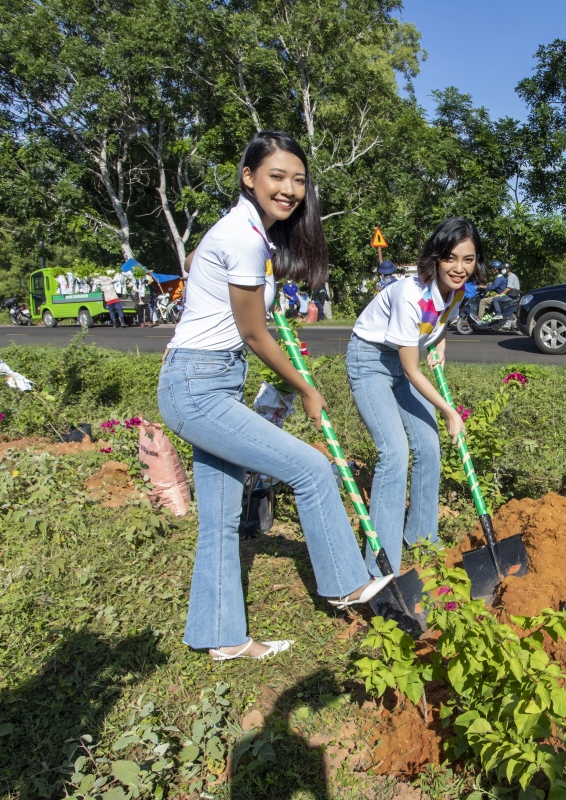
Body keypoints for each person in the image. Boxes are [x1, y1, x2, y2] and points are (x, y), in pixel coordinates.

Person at [158, 130, 388, 662]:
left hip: (205, 381)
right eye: (277, 177)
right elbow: (254, 333)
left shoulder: (244, 231)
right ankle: (346, 584)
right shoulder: (241, 236)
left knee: (218, 516)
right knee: (310, 468)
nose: (289, 189)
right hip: (198, 386)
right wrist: (305, 387)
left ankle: (222, 638)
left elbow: (196, 263)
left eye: (298, 180)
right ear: (249, 177)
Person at [347, 217, 485, 579]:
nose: (459, 268)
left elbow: (440, 319)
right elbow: (411, 369)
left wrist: (440, 341)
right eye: (451, 258)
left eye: (468, 260)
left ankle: (422, 537)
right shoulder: (411, 294)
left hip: (406, 358)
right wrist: (451, 412)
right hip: (372, 360)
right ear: (436, 257)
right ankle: (381, 568)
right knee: (394, 453)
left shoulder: (458, 290)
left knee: (428, 445)